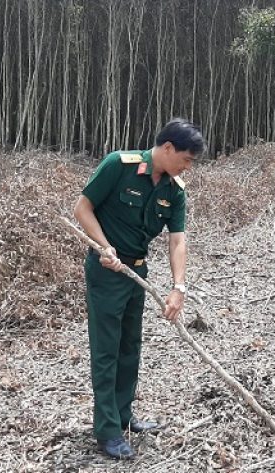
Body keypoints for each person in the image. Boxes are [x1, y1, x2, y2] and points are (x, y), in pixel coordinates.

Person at [73, 118, 206, 459]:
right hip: (106, 272)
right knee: (107, 349)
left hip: (137, 274)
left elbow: (178, 240)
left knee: (130, 346)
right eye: (186, 159)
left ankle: (123, 415)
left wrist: (179, 287)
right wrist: (104, 246)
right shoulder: (119, 165)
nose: (188, 166)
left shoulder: (174, 190)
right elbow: (82, 208)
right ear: (167, 148)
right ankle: (106, 431)